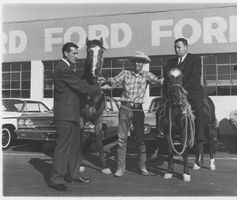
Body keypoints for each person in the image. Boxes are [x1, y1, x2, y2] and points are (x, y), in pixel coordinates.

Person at [48, 42, 102, 191]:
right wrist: (99, 88)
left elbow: (78, 86)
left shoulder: (67, 69)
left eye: (77, 54)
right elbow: (80, 87)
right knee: (63, 147)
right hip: (65, 115)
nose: (76, 57)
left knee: (75, 147)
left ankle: (73, 175)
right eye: (74, 53)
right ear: (65, 53)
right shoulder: (62, 68)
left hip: (72, 114)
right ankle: (56, 179)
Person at [101, 51, 164, 177]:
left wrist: (171, 76)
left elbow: (159, 82)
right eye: (135, 61)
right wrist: (106, 79)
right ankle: (120, 168)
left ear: (143, 63)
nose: (137, 63)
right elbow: (114, 82)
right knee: (121, 139)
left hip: (138, 111)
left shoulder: (147, 75)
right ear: (132, 62)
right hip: (124, 109)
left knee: (140, 139)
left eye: (140, 61)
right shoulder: (125, 73)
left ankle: (143, 167)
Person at [163, 38, 205, 169]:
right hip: (175, 95)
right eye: (175, 47)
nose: (177, 50)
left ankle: (199, 146)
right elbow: (168, 79)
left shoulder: (195, 59)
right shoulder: (170, 63)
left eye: (179, 47)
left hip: (192, 93)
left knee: (199, 114)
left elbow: (195, 77)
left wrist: (183, 88)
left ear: (186, 47)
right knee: (163, 111)